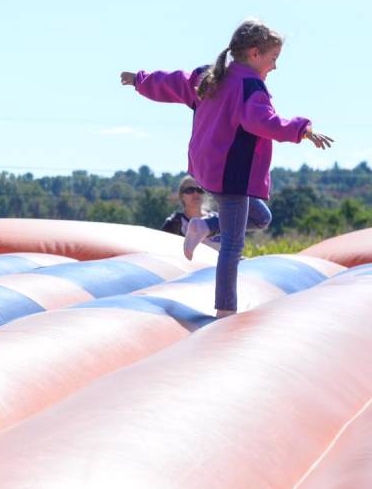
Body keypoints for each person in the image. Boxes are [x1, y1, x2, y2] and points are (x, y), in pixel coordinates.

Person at [121, 18, 332, 316]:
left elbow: (172, 82)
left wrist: (139, 80)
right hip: (231, 174)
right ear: (255, 53)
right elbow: (265, 122)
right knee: (232, 247)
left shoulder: (210, 76)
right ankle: (225, 311)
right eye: (273, 59)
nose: (275, 67)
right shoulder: (250, 87)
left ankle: (204, 226)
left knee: (260, 216)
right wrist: (303, 130)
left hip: (208, 167)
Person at [160, 176, 221, 252]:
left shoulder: (217, 219)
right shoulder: (173, 223)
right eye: (190, 190)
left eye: (200, 190)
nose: (196, 193)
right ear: (182, 196)